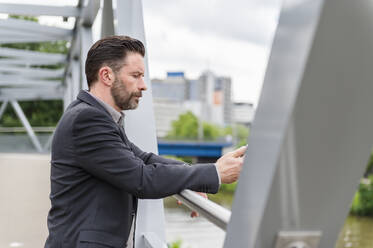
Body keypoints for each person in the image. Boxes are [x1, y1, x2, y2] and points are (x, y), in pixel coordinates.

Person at [44, 35, 246, 248]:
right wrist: (214, 172)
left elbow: (145, 159)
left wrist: (196, 178)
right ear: (106, 75)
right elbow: (141, 178)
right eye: (136, 76)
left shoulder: (97, 116)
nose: (143, 85)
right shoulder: (87, 120)